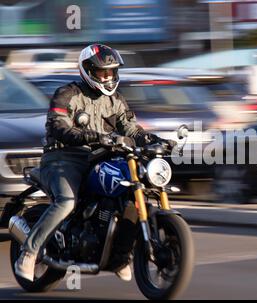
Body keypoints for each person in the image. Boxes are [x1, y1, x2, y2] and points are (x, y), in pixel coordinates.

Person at [15, 44, 175, 282]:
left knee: (130, 191)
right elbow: (58, 126)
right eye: (103, 72)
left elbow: (131, 128)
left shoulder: (117, 100)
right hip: (63, 158)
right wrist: (92, 136)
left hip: (101, 156)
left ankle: (119, 255)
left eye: (112, 72)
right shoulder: (67, 93)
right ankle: (28, 253)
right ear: (88, 71)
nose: (109, 77)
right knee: (67, 202)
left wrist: (155, 139)